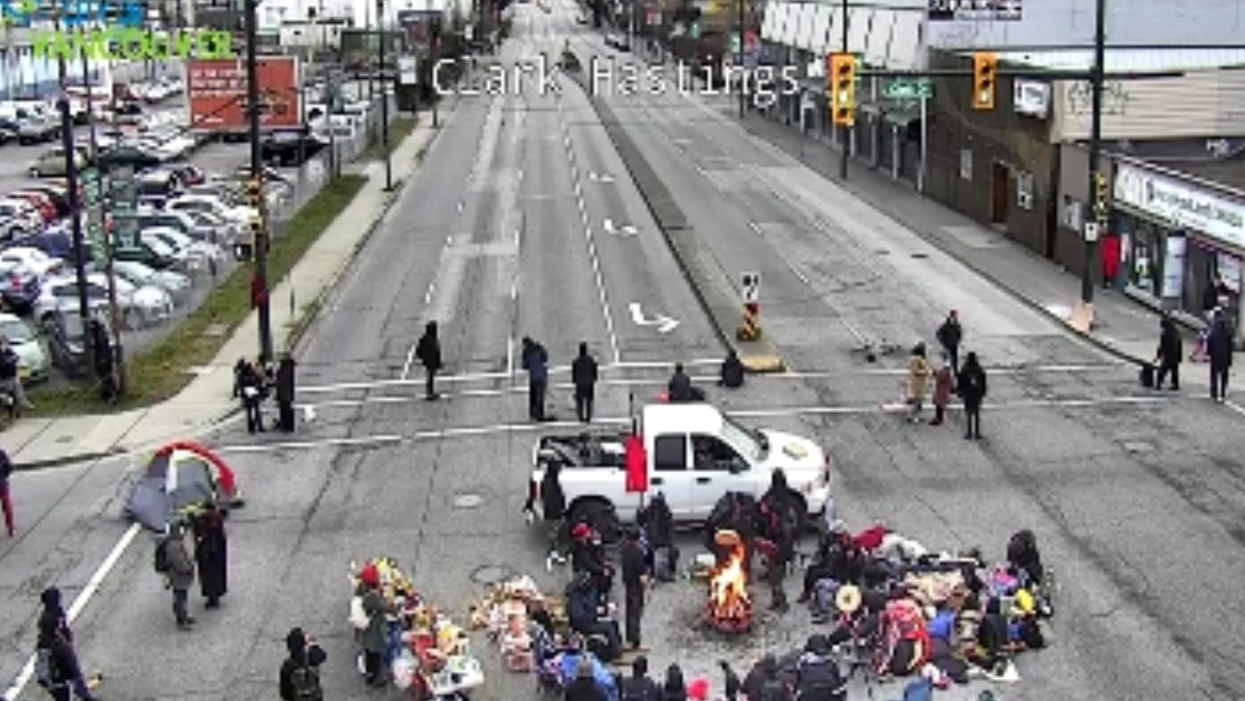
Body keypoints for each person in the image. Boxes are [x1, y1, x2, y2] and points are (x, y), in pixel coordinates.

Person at [36, 587, 99, 701]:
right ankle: (83, 695)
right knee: (69, 677)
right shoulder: (50, 618)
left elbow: (62, 629)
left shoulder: (54, 613)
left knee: (71, 675)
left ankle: (83, 695)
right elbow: (58, 633)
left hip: (59, 650)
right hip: (57, 653)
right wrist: (65, 642)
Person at [566, 572, 622, 662]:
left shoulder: (591, 591)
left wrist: (606, 607)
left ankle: (616, 647)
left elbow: (597, 603)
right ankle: (616, 654)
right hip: (583, 625)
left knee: (614, 623)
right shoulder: (575, 597)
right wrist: (596, 613)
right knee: (608, 627)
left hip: (592, 619)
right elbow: (578, 617)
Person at [358, 563, 395, 686]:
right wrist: (393, 604)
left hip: (367, 628)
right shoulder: (372, 596)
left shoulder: (363, 588)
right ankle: (374, 678)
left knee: (369, 653)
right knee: (374, 654)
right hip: (373, 629)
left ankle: (371, 674)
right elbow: (386, 607)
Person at [192, 504, 228, 609]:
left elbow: (200, 535)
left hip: (208, 554)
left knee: (209, 577)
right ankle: (215, 596)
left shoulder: (206, 520)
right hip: (215, 554)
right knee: (215, 576)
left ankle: (212, 597)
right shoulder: (216, 518)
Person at [162, 520, 197, 629]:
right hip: (179, 576)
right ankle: (181, 620)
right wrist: (188, 567)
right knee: (180, 599)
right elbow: (179, 562)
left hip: (179, 576)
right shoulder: (173, 545)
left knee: (182, 597)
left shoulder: (174, 542)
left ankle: (183, 616)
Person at [619, 527, 649, 651]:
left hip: (628, 584)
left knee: (629, 611)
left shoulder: (624, 550)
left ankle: (629, 639)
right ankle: (635, 641)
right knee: (635, 614)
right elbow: (642, 573)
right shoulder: (638, 552)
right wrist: (646, 585)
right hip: (636, 585)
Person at [279, 627, 327, 701]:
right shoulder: (312, 657)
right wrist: (311, 644)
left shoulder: (287, 666)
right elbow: (323, 655)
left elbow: (285, 692)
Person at [794, 635, 847, 701]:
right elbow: (839, 684)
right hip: (828, 695)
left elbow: (797, 683)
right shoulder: (831, 662)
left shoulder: (803, 662)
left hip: (808, 695)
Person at [538, 462, 569, 569]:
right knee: (554, 531)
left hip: (552, 512)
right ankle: (553, 552)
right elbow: (552, 500)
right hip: (554, 513)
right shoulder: (550, 484)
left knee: (555, 531)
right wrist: (560, 511)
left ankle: (554, 550)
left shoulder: (548, 480)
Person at [957, 352, 987, 440]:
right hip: (977, 393)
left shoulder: (964, 369)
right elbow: (983, 381)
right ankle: (977, 432)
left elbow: (960, 381)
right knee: (977, 413)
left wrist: (960, 392)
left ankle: (969, 432)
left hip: (967, 394)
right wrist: (983, 392)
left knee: (968, 413)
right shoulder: (979, 369)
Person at [0, 336, 33, 414]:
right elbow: (3, 363)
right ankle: (11, 411)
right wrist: (11, 360)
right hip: (6, 377)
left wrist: (11, 359)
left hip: (14, 375)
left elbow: (16, 357)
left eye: (7, 343)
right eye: (4, 343)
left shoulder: (8, 351)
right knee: (9, 395)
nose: (6, 345)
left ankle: (23, 405)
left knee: (19, 391)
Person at [1207, 309, 1234, 402]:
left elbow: (1210, 340)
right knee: (1224, 375)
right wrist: (1230, 358)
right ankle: (1222, 393)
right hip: (1225, 355)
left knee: (1214, 375)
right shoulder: (1227, 327)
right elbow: (1230, 344)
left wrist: (1209, 352)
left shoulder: (1214, 327)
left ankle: (1214, 393)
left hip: (1215, 355)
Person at [523, 336, 550, 421]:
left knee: (533, 395)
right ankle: (540, 413)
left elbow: (525, 365)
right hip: (542, 375)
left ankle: (533, 413)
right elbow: (545, 358)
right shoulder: (539, 348)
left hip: (533, 376)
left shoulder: (526, 352)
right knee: (541, 395)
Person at [572, 342, 599, 423]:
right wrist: (594, 378)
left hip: (580, 383)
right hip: (588, 382)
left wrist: (575, 380)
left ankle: (581, 416)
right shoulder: (590, 360)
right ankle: (588, 417)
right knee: (589, 401)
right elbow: (594, 369)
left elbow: (574, 372)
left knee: (580, 401)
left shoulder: (576, 361)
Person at [416, 321, 443, 400]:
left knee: (430, 377)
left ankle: (430, 392)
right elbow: (435, 351)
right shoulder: (430, 339)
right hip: (430, 362)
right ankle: (429, 393)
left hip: (430, 362)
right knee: (430, 378)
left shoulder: (426, 338)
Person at [1154, 316, 1182, 391]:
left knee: (1162, 371)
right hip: (1176, 356)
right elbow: (1179, 345)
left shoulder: (1165, 334)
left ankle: (1158, 385)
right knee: (1174, 371)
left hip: (1169, 356)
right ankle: (1175, 385)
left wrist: (1158, 356)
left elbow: (1162, 346)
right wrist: (1180, 357)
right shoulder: (1176, 332)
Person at [238, 359, 265, 434]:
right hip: (253, 394)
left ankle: (251, 427)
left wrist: (242, 396)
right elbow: (258, 382)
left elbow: (241, 386)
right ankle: (259, 426)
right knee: (256, 411)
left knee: (250, 412)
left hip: (248, 394)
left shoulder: (242, 375)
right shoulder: (252, 374)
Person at [906, 343, 931, 423]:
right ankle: (912, 416)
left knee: (918, 401)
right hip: (918, 383)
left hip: (919, 382)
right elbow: (916, 371)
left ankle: (913, 416)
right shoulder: (916, 359)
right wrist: (926, 372)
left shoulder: (916, 358)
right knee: (917, 400)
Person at [930, 353, 954, 426]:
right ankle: (939, 418)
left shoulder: (945, 370)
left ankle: (938, 418)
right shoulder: (947, 369)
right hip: (943, 388)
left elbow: (941, 377)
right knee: (939, 404)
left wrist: (935, 373)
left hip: (942, 389)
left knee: (939, 404)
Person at [275, 354, 297, 432]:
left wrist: (272, 383)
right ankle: (287, 425)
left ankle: (286, 426)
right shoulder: (288, 369)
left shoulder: (285, 370)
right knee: (286, 409)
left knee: (285, 410)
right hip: (286, 393)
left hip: (284, 394)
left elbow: (281, 381)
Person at [0, 446, 14, 537]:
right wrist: (4, 476)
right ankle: (10, 527)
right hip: (2, 483)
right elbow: (9, 467)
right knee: (7, 505)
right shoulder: (1, 453)